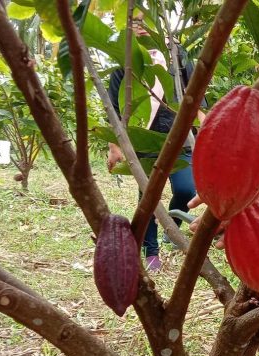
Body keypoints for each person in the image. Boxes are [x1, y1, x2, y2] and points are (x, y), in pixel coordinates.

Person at [105, 14, 202, 271]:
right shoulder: (123, 62)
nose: (139, 27)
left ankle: (172, 230)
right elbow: (115, 109)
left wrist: (207, 131)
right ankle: (151, 251)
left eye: (143, 21)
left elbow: (197, 93)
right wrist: (115, 146)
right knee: (148, 198)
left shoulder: (177, 55)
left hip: (180, 139)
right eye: (133, 22)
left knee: (186, 189)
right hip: (143, 142)